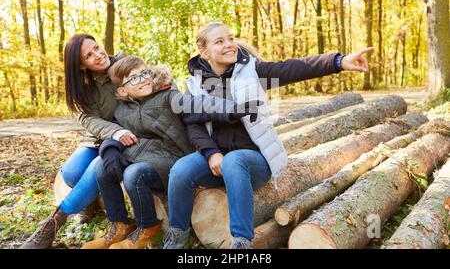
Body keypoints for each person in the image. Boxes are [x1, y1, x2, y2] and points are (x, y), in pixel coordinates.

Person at [163, 22, 372, 249]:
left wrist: (338, 62)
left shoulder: (254, 72)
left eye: (230, 39)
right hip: (218, 159)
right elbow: (194, 125)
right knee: (181, 170)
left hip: (255, 160)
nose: (229, 45)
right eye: (219, 41)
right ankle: (177, 236)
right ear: (204, 52)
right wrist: (211, 153)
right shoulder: (195, 83)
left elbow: (295, 67)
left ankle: (242, 242)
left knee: (234, 160)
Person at [81, 57, 260, 249]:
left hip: (173, 159)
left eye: (144, 73)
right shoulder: (122, 111)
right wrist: (110, 148)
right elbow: (116, 133)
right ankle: (119, 224)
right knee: (101, 165)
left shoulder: (168, 96)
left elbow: (198, 105)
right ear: (122, 91)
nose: (142, 79)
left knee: (134, 174)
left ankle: (148, 227)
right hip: (147, 156)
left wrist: (232, 110)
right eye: (134, 78)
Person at [20, 34, 139, 249]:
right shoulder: (84, 86)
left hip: (124, 137)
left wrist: (119, 133)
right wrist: (114, 132)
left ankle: (53, 224)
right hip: (99, 137)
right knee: (71, 173)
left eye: (97, 47)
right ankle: (89, 201)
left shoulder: (123, 64)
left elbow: (150, 82)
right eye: (89, 55)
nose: (98, 55)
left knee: (96, 167)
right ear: (82, 65)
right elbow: (87, 119)